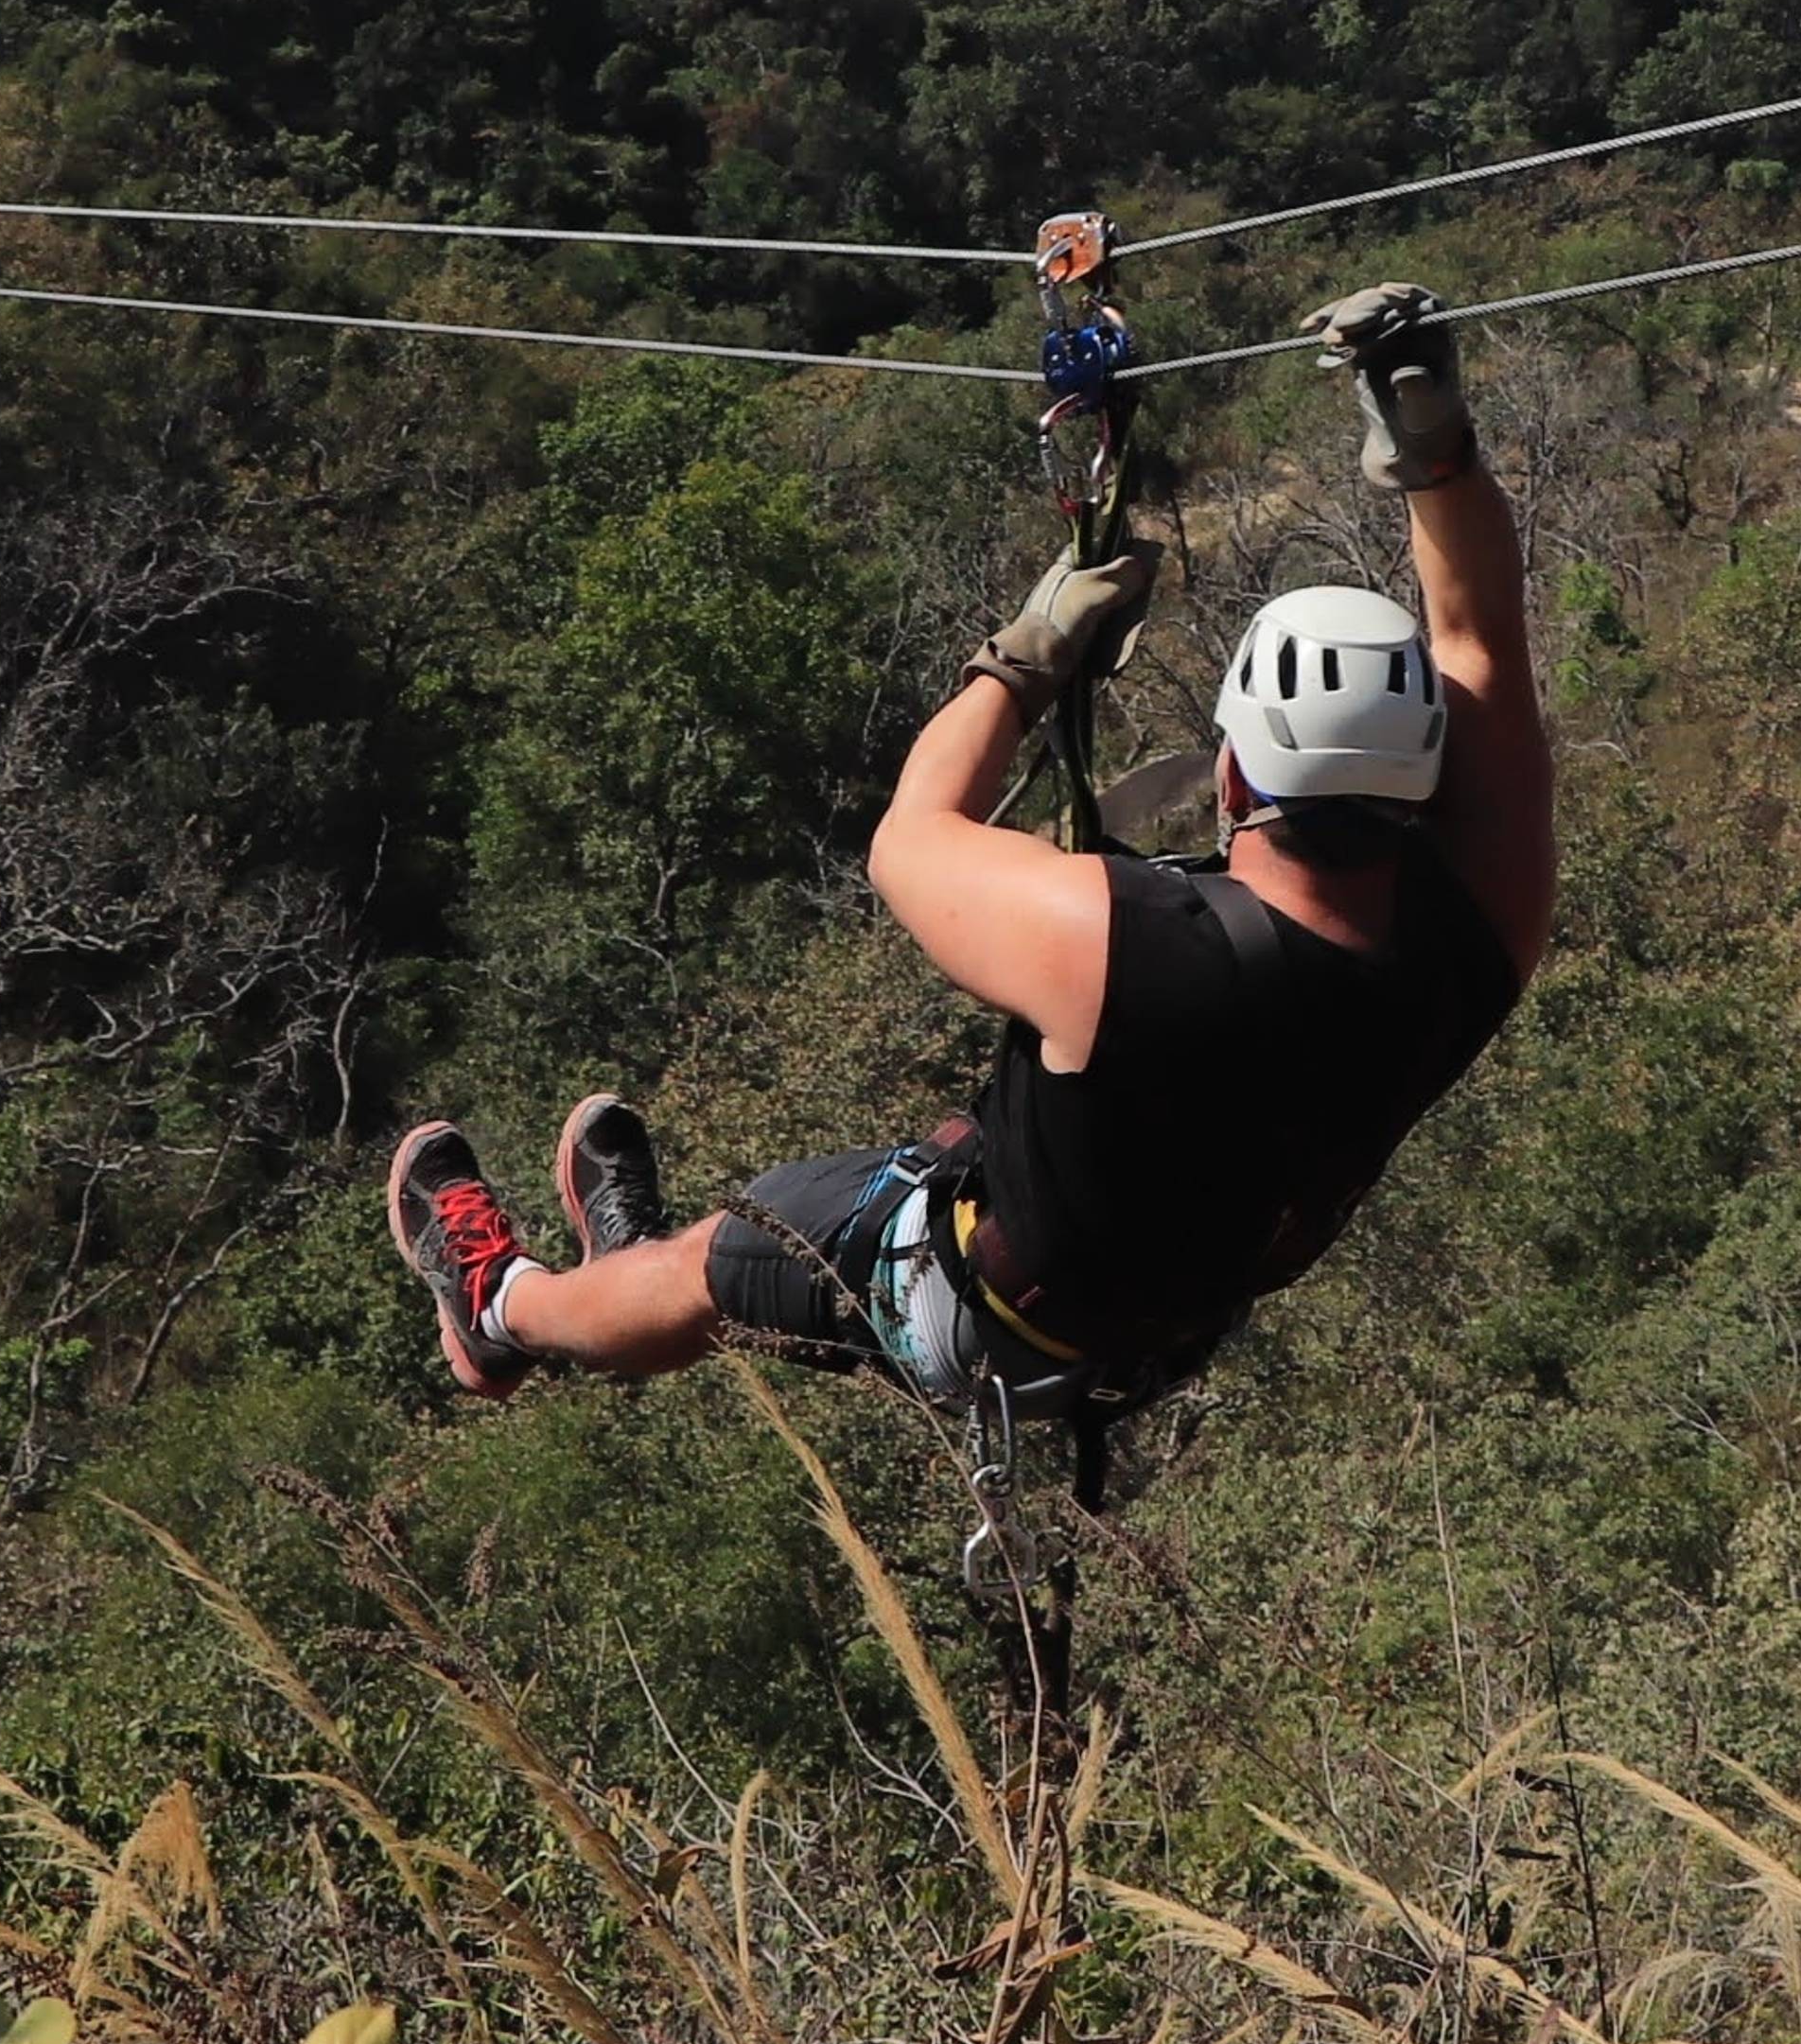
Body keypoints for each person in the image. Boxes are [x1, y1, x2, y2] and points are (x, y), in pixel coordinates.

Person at [380, 284, 1556, 1419]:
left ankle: (502, 1310)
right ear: (1423, 767)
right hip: (1150, 1317)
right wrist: (1429, 451)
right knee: (727, 1250)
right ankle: (608, 1273)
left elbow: (908, 841)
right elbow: (1481, 638)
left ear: (1236, 773)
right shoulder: (1481, 931)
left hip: (969, 1309)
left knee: (720, 1261)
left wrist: (1024, 658)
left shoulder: (1131, 944)